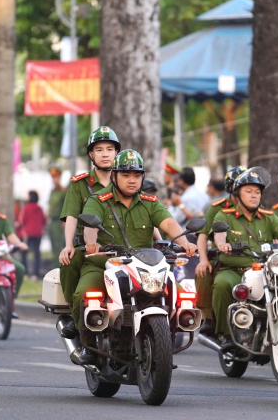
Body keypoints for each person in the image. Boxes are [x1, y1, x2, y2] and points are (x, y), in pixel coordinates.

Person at [69, 150, 196, 364]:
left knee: (183, 296)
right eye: (126, 175)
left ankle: (166, 340)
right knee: (84, 293)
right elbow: (91, 227)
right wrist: (92, 242)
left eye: (137, 175)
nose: (132, 180)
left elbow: (168, 222)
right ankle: (88, 344)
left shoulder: (150, 202)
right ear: (114, 176)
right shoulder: (98, 201)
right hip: (104, 265)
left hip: (144, 267)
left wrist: (185, 242)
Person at [213, 168, 278, 342]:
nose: (254, 196)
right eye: (248, 191)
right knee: (222, 284)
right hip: (234, 270)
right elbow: (219, 234)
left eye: (257, 192)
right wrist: (222, 244)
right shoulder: (224, 215)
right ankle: (226, 335)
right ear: (237, 194)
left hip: (265, 271)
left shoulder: (269, 217)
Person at [57, 126, 120, 339]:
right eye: (99, 150)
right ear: (91, 155)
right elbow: (72, 216)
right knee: (69, 261)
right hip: (88, 247)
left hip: (121, 248)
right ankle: (73, 314)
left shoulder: (125, 181)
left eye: (109, 149)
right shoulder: (80, 184)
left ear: (116, 153)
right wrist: (68, 245)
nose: (105, 154)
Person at [196, 165, 247, 335]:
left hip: (252, 258)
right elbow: (203, 236)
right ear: (231, 188)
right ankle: (208, 317)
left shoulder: (256, 207)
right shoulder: (218, 208)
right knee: (203, 271)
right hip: (221, 257)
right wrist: (203, 260)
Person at [20, 190, 46, 281]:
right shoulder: (40, 208)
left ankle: (26, 273)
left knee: (24, 253)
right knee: (37, 253)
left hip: (28, 233)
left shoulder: (26, 207)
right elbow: (44, 220)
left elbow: (22, 220)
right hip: (38, 233)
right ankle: (35, 274)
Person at [46, 168, 66, 261]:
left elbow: (66, 207)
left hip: (59, 222)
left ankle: (59, 266)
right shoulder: (52, 192)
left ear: (60, 178)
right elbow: (50, 206)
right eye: (53, 178)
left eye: (56, 177)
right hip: (52, 222)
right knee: (53, 246)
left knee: (59, 246)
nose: (54, 180)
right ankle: (54, 265)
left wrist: (65, 221)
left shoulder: (63, 191)